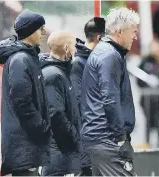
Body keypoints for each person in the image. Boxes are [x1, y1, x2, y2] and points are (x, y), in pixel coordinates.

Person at [80, 7, 140, 176]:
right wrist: (121, 139)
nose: (135, 37)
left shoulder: (106, 52)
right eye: (133, 32)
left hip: (101, 138)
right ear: (119, 31)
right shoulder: (109, 55)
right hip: (107, 139)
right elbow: (110, 98)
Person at [0, 10, 50, 176]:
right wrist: (41, 127)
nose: (43, 32)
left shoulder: (27, 57)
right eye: (40, 28)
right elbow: (22, 100)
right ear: (30, 31)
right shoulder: (20, 59)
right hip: (24, 144)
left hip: (27, 144)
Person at [39, 31, 81, 176]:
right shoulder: (53, 75)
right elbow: (55, 114)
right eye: (74, 45)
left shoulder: (60, 72)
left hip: (62, 156)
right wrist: (75, 138)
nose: (76, 49)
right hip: (59, 159)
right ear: (66, 48)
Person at [70, 17, 106, 176]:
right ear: (100, 38)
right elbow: (79, 101)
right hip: (89, 138)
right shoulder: (79, 63)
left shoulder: (100, 60)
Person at [137, 40, 159, 148]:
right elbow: (139, 79)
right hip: (146, 98)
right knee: (147, 121)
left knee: (158, 120)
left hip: (157, 98)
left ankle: (158, 144)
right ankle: (147, 143)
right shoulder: (144, 62)